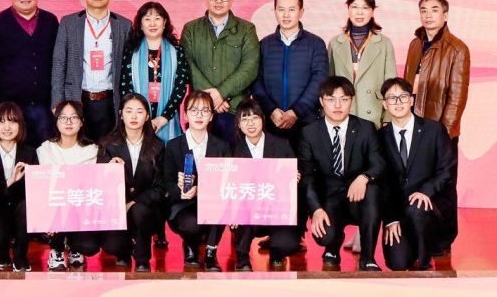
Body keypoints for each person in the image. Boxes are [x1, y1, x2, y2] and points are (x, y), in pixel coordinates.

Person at [403, 0, 468, 256]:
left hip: (441, 130)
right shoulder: (415, 45)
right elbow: (407, 87)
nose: (428, 15)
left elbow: (457, 97)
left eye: (434, 10)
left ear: (445, 15)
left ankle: (443, 240)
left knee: (444, 185)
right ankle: (418, 234)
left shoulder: (458, 49)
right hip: (415, 127)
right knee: (417, 181)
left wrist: (442, 134)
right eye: (423, 10)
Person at [298, 76, 385, 271]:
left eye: (344, 99)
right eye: (331, 99)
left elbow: (378, 163)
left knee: (373, 191)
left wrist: (364, 177)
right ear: (322, 101)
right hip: (329, 198)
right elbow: (308, 176)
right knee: (324, 235)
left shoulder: (366, 128)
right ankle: (333, 245)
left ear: (351, 101)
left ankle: (368, 257)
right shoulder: (309, 132)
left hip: (358, 197)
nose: (338, 105)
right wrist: (316, 209)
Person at [378, 78, 454, 271]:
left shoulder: (434, 129)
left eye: (403, 97)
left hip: (432, 204)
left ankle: (424, 260)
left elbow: (447, 169)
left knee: (417, 207)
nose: (398, 102)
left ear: (411, 100)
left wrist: (426, 191)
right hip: (400, 211)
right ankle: (412, 248)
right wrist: (391, 218)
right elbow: (381, 182)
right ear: (385, 104)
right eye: (392, 98)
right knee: (397, 264)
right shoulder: (380, 137)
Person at [0, 0, 59, 147]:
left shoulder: (51, 21)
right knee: (15, 155)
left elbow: (60, 62)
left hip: (45, 108)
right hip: (10, 109)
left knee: (45, 155)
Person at [50, 0, 132, 142]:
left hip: (110, 101)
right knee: (78, 148)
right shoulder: (68, 23)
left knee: (108, 148)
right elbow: (59, 63)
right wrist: (57, 102)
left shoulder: (124, 25)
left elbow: (128, 68)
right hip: (76, 99)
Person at [180, 0, 260, 142]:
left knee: (234, 157)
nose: (218, 1)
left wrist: (221, 93)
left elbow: (250, 67)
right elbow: (186, 64)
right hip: (200, 111)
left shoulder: (246, 29)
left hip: (234, 109)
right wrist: (212, 98)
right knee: (199, 157)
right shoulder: (191, 29)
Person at [230, 98, 300, 271]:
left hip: (276, 211)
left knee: (288, 244)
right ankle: (242, 256)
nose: (250, 123)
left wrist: (294, 179)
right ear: (238, 124)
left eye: (254, 118)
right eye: (245, 119)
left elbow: (292, 182)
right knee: (241, 213)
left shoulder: (282, 145)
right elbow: (228, 185)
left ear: (263, 119)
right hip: (248, 214)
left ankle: (277, 252)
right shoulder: (232, 150)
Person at [162, 90, 229, 271]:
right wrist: (180, 191)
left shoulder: (222, 146)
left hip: (212, 203)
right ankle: (190, 245)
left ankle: (210, 253)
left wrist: (201, 189)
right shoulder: (173, 146)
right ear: (185, 114)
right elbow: (166, 183)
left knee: (219, 208)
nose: (199, 115)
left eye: (205, 111)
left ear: (211, 116)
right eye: (194, 110)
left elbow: (226, 182)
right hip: (183, 205)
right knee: (192, 225)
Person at [98, 93, 165, 272]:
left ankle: (143, 257)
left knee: (140, 211)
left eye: (139, 112)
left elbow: (160, 188)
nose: (134, 116)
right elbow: (99, 185)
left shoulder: (157, 146)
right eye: (129, 111)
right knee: (112, 246)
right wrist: (108, 170)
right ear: (121, 115)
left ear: (147, 116)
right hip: (116, 208)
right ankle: (124, 250)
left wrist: (134, 202)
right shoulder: (107, 144)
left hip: (147, 208)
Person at [253, 0, 328, 148]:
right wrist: (272, 110)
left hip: (307, 123)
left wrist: (296, 111)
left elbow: (319, 79)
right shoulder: (264, 45)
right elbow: (256, 81)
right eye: (281, 9)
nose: (286, 15)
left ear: (301, 12)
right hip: (272, 122)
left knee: (306, 163)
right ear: (274, 11)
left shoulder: (316, 44)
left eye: (291, 9)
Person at [36, 100, 102, 271]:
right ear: (56, 121)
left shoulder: (93, 151)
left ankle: (74, 246)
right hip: (54, 210)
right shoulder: (44, 150)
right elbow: (40, 189)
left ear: (82, 122)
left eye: (74, 117)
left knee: (89, 246)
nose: (68, 122)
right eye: (63, 118)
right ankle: (56, 249)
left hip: (82, 209)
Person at [0, 101, 38, 272]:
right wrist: (10, 181)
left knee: (26, 207)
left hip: (22, 213)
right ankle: (1, 253)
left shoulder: (30, 153)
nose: (7, 127)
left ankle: (20, 255)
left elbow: (35, 192)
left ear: (20, 125)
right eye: (1, 121)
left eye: (12, 121)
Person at [119, 1, 190, 144]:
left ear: (164, 22)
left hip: (167, 119)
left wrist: (164, 117)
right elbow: (125, 87)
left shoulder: (176, 51)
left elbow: (180, 87)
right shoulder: (131, 51)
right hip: (138, 119)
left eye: (157, 18)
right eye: (147, 19)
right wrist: (142, 117)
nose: (152, 24)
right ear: (140, 24)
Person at [327, 0, 396, 128]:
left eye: (365, 8)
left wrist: (388, 117)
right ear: (348, 9)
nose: (359, 12)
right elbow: (329, 84)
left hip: (374, 111)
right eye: (355, 7)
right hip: (341, 112)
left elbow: (391, 84)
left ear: (372, 11)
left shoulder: (384, 43)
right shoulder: (335, 43)